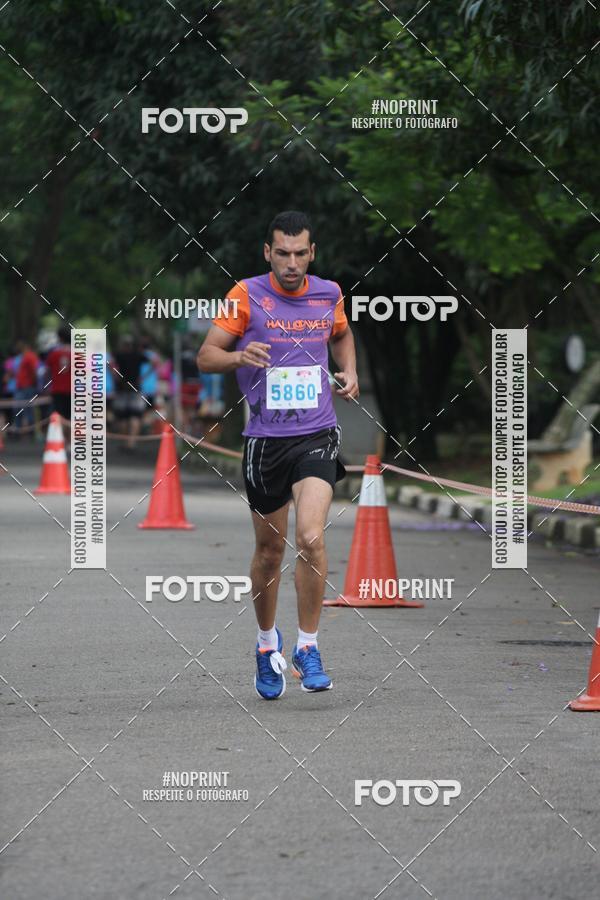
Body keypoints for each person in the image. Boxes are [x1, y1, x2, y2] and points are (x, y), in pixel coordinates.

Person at [197, 210, 359, 699]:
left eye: (300, 253)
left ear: (312, 253)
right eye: (282, 254)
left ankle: (308, 647)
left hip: (317, 433)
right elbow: (207, 355)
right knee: (270, 553)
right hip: (265, 441)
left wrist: (349, 371)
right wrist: (238, 356)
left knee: (311, 537)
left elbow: (342, 334)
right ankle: (267, 646)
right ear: (268, 253)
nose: (291, 263)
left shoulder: (328, 293)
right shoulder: (245, 295)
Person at [110, 335, 148, 451]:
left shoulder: (118, 355)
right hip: (136, 387)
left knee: (123, 416)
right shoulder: (138, 355)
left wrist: (115, 377)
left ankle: (125, 441)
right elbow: (155, 363)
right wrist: (143, 377)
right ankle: (132, 442)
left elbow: (110, 364)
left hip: (122, 387)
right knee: (135, 415)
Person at [45, 325, 72, 420]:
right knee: (71, 417)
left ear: (60, 338)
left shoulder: (53, 354)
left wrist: (45, 387)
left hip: (57, 390)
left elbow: (47, 372)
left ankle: (62, 434)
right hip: (73, 390)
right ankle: (70, 434)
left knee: (59, 416)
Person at [14, 340, 39, 434]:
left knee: (27, 409)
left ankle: (30, 431)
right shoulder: (25, 357)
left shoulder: (30, 356)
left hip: (27, 386)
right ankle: (20, 430)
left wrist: (33, 382)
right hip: (22, 386)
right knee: (20, 408)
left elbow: (34, 371)